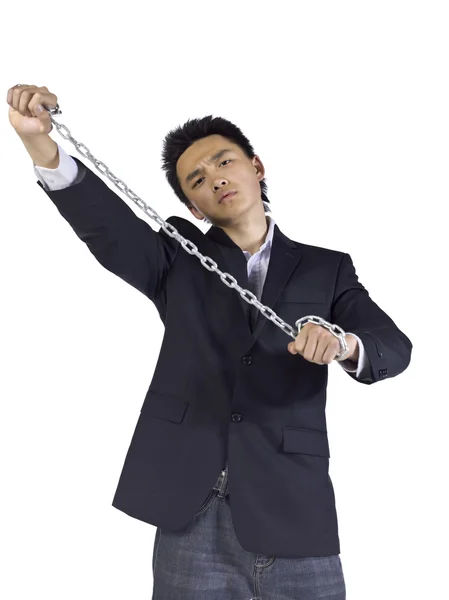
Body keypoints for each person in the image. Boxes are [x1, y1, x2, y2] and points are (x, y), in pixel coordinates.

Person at [7, 84, 413, 600]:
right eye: (196, 180)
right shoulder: (177, 256)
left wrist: (343, 342)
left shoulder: (327, 268)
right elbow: (107, 227)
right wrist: (40, 145)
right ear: (194, 208)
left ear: (256, 166)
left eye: (224, 161)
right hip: (191, 516)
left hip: (295, 511)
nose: (214, 178)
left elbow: (392, 346)